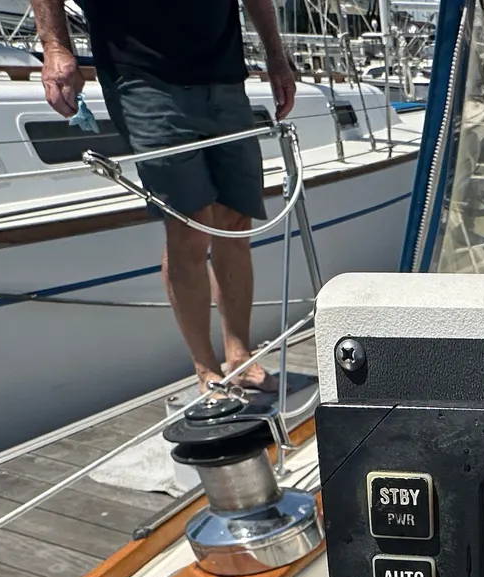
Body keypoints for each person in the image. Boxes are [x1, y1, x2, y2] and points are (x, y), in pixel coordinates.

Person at [33, 0, 298, 394]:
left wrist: (277, 56)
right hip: (143, 79)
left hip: (224, 77)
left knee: (234, 221)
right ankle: (206, 368)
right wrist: (56, 49)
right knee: (190, 225)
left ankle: (240, 356)